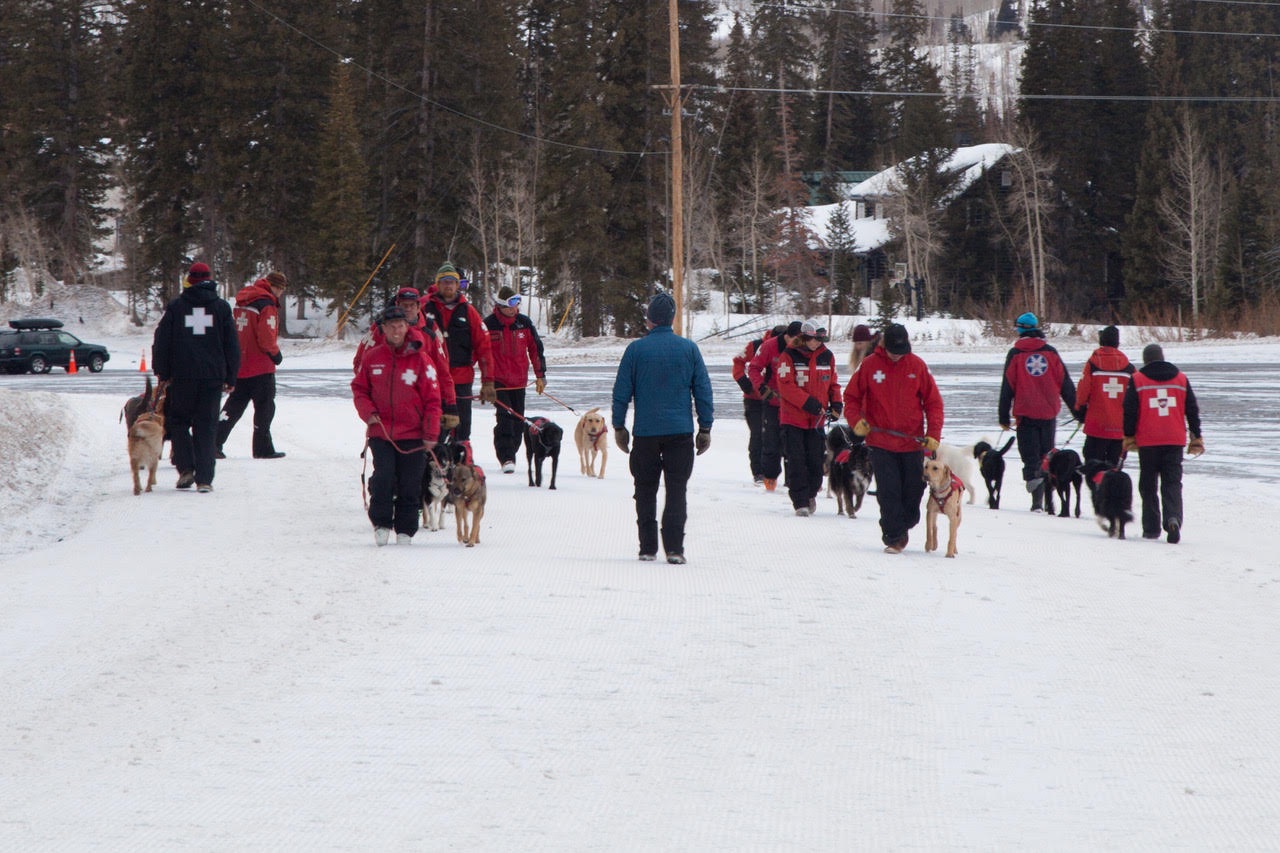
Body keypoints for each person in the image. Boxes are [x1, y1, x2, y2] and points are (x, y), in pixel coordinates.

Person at [611, 292, 714, 564]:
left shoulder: (635, 350)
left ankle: (647, 547)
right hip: (680, 432)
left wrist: (619, 425)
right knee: (676, 489)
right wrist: (705, 426)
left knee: (645, 489)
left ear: (649, 320)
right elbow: (703, 390)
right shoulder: (689, 349)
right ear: (672, 318)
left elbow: (621, 391)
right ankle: (674, 548)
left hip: (645, 434)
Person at [843, 323, 943, 553]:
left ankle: (904, 524)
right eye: (893, 352)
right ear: (883, 346)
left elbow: (934, 403)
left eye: (901, 352)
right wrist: (856, 421)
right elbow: (851, 398)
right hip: (881, 442)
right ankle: (893, 537)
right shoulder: (869, 365)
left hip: (912, 442)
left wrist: (933, 434)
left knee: (913, 490)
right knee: (888, 491)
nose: (897, 356)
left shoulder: (917, 365)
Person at [352, 306, 444, 546]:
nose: (396, 330)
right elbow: (359, 388)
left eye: (401, 325)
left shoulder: (422, 359)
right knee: (383, 479)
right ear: (383, 328)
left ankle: (406, 529)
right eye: (391, 326)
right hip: (381, 432)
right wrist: (368, 413)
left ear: (407, 327)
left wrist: (431, 431)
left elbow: (434, 399)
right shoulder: (372, 357)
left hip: (413, 434)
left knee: (410, 482)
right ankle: (381, 524)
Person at [152, 261, 240, 493]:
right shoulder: (221, 308)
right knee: (207, 425)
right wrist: (231, 376)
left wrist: (162, 372)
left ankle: (185, 468)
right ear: (210, 280)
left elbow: (162, 341)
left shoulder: (177, 307)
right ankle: (205, 479)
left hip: (182, 376)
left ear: (189, 280)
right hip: (212, 377)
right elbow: (232, 344)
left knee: (179, 422)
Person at [1123, 343, 1204, 544]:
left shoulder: (1138, 379)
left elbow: (1130, 411)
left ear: (1145, 360)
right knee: (1172, 483)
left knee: (1148, 484)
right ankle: (1173, 519)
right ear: (1162, 357)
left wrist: (1129, 435)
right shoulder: (1181, 379)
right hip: (1174, 440)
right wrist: (1196, 436)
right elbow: (1192, 410)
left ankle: (1151, 528)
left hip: (1148, 441)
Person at [997, 311, 1076, 512]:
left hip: (1025, 414)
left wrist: (1003, 416)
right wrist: (1078, 411)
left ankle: (1037, 502)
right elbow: (1065, 382)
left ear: (1021, 329)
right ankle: (1049, 502)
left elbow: (1007, 386)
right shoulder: (1051, 352)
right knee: (1046, 457)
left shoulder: (1015, 354)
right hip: (1048, 414)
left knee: (1030, 458)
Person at [354, 286, 458, 433]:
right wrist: (369, 403)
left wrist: (450, 405)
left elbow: (443, 371)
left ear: (418, 307)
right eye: (404, 305)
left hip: (422, 408)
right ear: (397, 305)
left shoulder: (430, 330)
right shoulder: (380, 329)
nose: (408, 309)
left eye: (412, 305)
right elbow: (360, 365)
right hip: (385, 411)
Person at [215, 271, 287, 460]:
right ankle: (262, 448)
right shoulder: (267, 304)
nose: (280, 294)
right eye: (281, 290)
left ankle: (213, 442)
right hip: (261, 366)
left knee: (233, 407)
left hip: (240, 363)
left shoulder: (243, 301)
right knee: (265, 407)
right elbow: (266, 337)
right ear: (276, 287)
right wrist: (276, 354)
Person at [422, 262, 494, 446]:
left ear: (457, 285)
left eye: (452, 281)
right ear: (438, 284)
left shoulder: (468, 311)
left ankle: (463, 462)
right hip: (432, 378)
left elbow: (484, 346)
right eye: (444, 281)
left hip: (461, 378)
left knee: (461, 427)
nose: (448, 285)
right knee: (434, 424)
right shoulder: (424, 308)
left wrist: (488, 381)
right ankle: (433, 462)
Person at [776, 320, 842, 516]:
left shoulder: (827, 356)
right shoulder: (788, 356)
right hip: (793, 418)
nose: (816, 344)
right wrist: (809, 403)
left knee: (815, 460)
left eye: (820, 340)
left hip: (817, 421)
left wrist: (836, 403)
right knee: (796, 460)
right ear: (804, 337)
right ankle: (800, 501)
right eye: (813, 340)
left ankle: (811, 492)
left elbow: (833, 383)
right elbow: (785, 385)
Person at [483, 286, 547, 473]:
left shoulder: (523, 323)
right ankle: (506, 457)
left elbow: (535, 349)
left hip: (519, 381)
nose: (514, 307)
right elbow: (478, 351)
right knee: (505, 418)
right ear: (501, 305)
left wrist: (540, 375)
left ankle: (512, 450)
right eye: (511, 303)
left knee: (518, 421)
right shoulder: (489, 324)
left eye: (517, 302)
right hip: (498, 382)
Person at [747, 320, 803, 491]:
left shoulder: (802, 348)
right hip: (773, 401)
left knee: (793, 443)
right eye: (795, 340)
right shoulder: (769, 346)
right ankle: (769, 476)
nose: (797, 344)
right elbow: (754, 368)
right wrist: (762, 388)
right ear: (787, 336)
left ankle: (793, 479)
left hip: (794, 403)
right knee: (771, 442)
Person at [1074, 324, 1134, 467]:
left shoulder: (1093, 364)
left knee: (1093, 469)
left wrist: (1079, 409)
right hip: (1120, 428)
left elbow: (1083, 391)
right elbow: (1135, 398)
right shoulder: (1129, 368)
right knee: (1114, 471)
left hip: (1097, 427)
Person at [732, 326, 779, 485]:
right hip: (754, 400)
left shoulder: (788, 348)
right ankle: (758, 471)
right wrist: (743, 382)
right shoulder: (755, 346)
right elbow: (738, 362)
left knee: (775, 436)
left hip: (775, 400)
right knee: (758, 434)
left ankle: (772, 471)